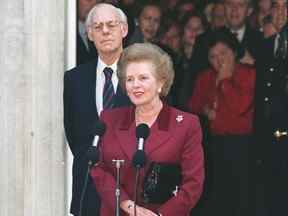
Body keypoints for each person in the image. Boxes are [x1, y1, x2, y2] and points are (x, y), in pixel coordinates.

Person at [90, 43, 205, 216]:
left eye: (143, 78)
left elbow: (193, 183)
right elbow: (98, 169)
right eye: (129, 79)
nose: (135, 85)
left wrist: (160, 215)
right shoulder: (109, 119)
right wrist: (126, 204)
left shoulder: (187, 125)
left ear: (161, 82)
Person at [64, 3, 131, 216]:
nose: (105, 31)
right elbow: (74, 135)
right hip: (88, 188)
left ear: (124, 29)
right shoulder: (75, 78)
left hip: (132, 185)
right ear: (89, 34)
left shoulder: (143, 74)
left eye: (111, 25)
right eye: (97, 26)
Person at [188, 31, 256, 216]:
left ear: (234, 52)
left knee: (240, 202)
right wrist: (205, 109)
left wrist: (225, 80)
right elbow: (193, 106)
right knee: (216, 202)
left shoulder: (248, 74)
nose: (219, 61)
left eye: (224, 54)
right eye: (213, 56)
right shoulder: (205, 77)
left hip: (242, 146)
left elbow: (240, 107)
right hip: (213, 146)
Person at [254, 0, 288, 215]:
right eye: (277, 6)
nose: (281, 12)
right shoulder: (264, 46)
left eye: (287, 6)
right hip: (269, 136)